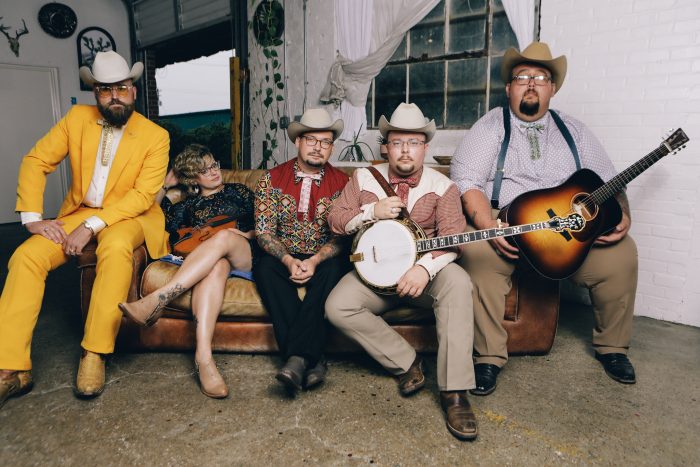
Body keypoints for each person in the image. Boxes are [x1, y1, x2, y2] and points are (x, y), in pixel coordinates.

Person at [451, 42, 638, 396]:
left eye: (541, 77)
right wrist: (486, 224)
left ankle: (613, 348)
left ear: (552, 88)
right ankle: (488, 356)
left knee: (622, 255)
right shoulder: (489, 127)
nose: (532, 83)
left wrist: (623, 211)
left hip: (566, 232)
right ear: (509, 88)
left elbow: (608, 179)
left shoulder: (575, 131)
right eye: (522, 76)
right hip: (505, 223)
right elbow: (467, 181)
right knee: (475, 253)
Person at [0, 51, 170, 407]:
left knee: (116, 246)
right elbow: (35, 161)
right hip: (81, 211)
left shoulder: (156, 136)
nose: (114, 96)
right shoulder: (77, 118)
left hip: (132, 215)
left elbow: (141, 196)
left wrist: (92, 227)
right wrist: (32, 218)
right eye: (105, 89)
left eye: (121, 88)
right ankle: (11, 367)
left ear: (133, 91)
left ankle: (94, 352)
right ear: (95, 93)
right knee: (25, 258)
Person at [326, 103, 478, 441]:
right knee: (337, 306)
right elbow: (335, 220)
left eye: (413, 142)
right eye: (397, 142)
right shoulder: (364, 177)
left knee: (458, 282)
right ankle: (406, 361)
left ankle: (455, 392)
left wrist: (424, 269)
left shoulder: (443, 187)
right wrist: (371, 210)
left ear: (425, 147)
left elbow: (454, 239)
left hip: (422, 279)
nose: (405, 150)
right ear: (386, 146)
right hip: (374, 277)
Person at [118, 144, 258, 398]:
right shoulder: (188, 207)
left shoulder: (239, 191)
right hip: (214, 260)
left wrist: (245, 233)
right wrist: (165, 184)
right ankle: (204, 359)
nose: (214, 171)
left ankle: (158, 299)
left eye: (214, 164)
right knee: (216, 265)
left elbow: (267, 222)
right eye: (204, 170)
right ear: (194, 178)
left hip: (244, 252)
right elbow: (153, 217)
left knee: (225, 237)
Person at [254, 108, 350, 393]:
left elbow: (343, 236)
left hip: (325, 256)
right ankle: (314, 358)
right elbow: (264, 232)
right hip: (282, 255)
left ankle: (296, 359)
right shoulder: (270, 179)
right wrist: (286, 260)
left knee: (335, 269)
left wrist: (317, 260)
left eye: (325, 142)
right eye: (311, 140)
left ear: (332, 147)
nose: (318, 147)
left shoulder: (345, 184)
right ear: (298, 142)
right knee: (264, 268)